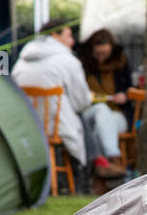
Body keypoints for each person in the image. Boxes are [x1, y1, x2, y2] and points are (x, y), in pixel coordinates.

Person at [12, 18, 92, 192]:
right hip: (56, 128)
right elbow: (82, 102)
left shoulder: (21, 60)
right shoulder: (68, 61)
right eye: (69, 35)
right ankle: (85, 178)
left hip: (29, 126)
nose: (72, 41)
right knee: (83, 117)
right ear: (55, 35)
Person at [78, 29, 133, 184]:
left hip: (117, 113)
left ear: (111, 51)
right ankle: (115, 160)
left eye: (104, 53)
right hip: (90, 112)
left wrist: (124, 95)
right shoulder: (82, 65)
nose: (101, 57)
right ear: (92, 51)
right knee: (101, 110)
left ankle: (101, 181)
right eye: (98, 53)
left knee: (98, 131)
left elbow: (129, 88)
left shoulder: (121, 64)